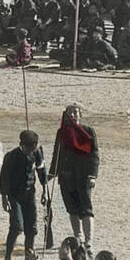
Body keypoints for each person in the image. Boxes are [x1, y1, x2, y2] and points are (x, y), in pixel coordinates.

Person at [0, 130, 48, 260]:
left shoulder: (37, 153)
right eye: (30, 148)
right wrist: (4, 198)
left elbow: (41, 171)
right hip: (15, 196)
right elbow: (4, 179)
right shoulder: (11, 157)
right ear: (22, 145)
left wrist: (45, 190)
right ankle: (8, 259)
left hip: (30, 195)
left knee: (31, 229)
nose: (32, 151)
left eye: (34, 148)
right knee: (16, 227)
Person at [50, 104, 99, 250]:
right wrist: (53, 172)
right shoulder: (62, 132)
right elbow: (57, 154)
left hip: (83, 177)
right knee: (72, 209)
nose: (73, 115)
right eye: (70, 112)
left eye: (76, 112)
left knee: (86, 209)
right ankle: (78, 237)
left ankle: (88, 240)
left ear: (80, 115)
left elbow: (94, 155)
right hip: (66, 177)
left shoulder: (88, 131)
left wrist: (92, 175)